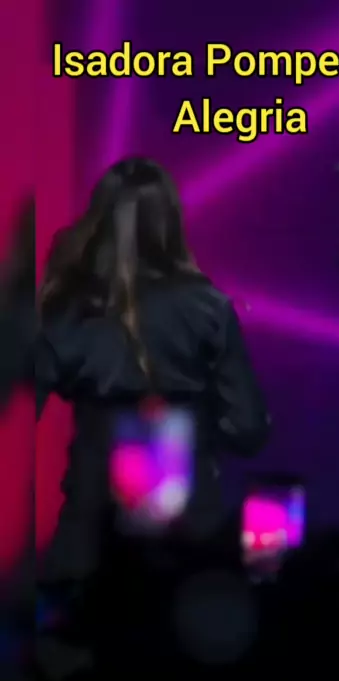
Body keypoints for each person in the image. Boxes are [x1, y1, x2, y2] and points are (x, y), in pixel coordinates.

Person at [36, 157, 269, 644]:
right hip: (191, 551)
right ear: (171, 222)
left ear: (99, 219)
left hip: (89, 551)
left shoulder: (65, 310)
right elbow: (248, 430)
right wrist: (200, 428)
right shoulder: (210, 309)